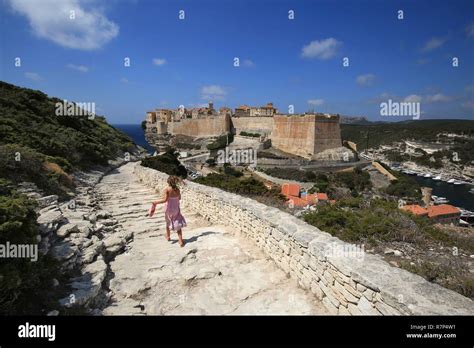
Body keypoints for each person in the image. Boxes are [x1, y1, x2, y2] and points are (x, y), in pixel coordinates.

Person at [151, 175, 187, 247]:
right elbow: (179, 198)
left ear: (168, 182)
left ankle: (168, 236)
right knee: (178, 224)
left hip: (169, 209)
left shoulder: (167, 189)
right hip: (176, 208)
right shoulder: (177, 189)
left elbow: (165, 200)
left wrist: (155, 202)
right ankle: (180, 241)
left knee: (168, 222)